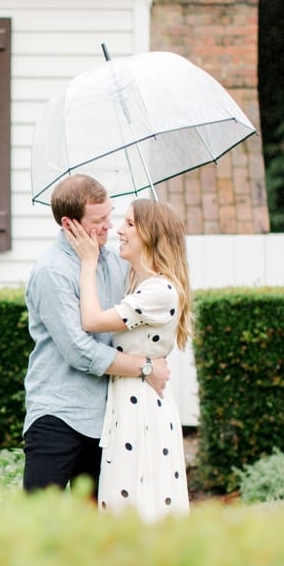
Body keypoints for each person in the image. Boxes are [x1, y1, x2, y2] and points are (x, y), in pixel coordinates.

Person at [23, 174, 170, 496]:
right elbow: (79, 350)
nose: (109, 226)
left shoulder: (116, 262)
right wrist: (145, 367)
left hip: (110, 417)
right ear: (69, 223)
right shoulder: (53, 272)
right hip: (60, 415)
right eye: (98, 220)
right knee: (36, 520)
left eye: (110, 215)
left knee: (93, 526)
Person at [63, 197, 193, 520]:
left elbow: (91, 321)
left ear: (151, 234)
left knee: (138, 502)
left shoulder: (160, 291)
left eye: (130, 224)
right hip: (128, 402)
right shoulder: (140, 283)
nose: (120, 230)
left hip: (143, 410)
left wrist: (88, 262)